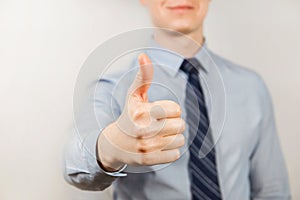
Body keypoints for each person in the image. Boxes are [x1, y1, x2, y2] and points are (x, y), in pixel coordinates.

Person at [63, 0, 291, 199]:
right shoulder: (111, 89)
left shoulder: (251, 87)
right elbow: (74, 164)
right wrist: (111, 148)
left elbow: (272, 191)